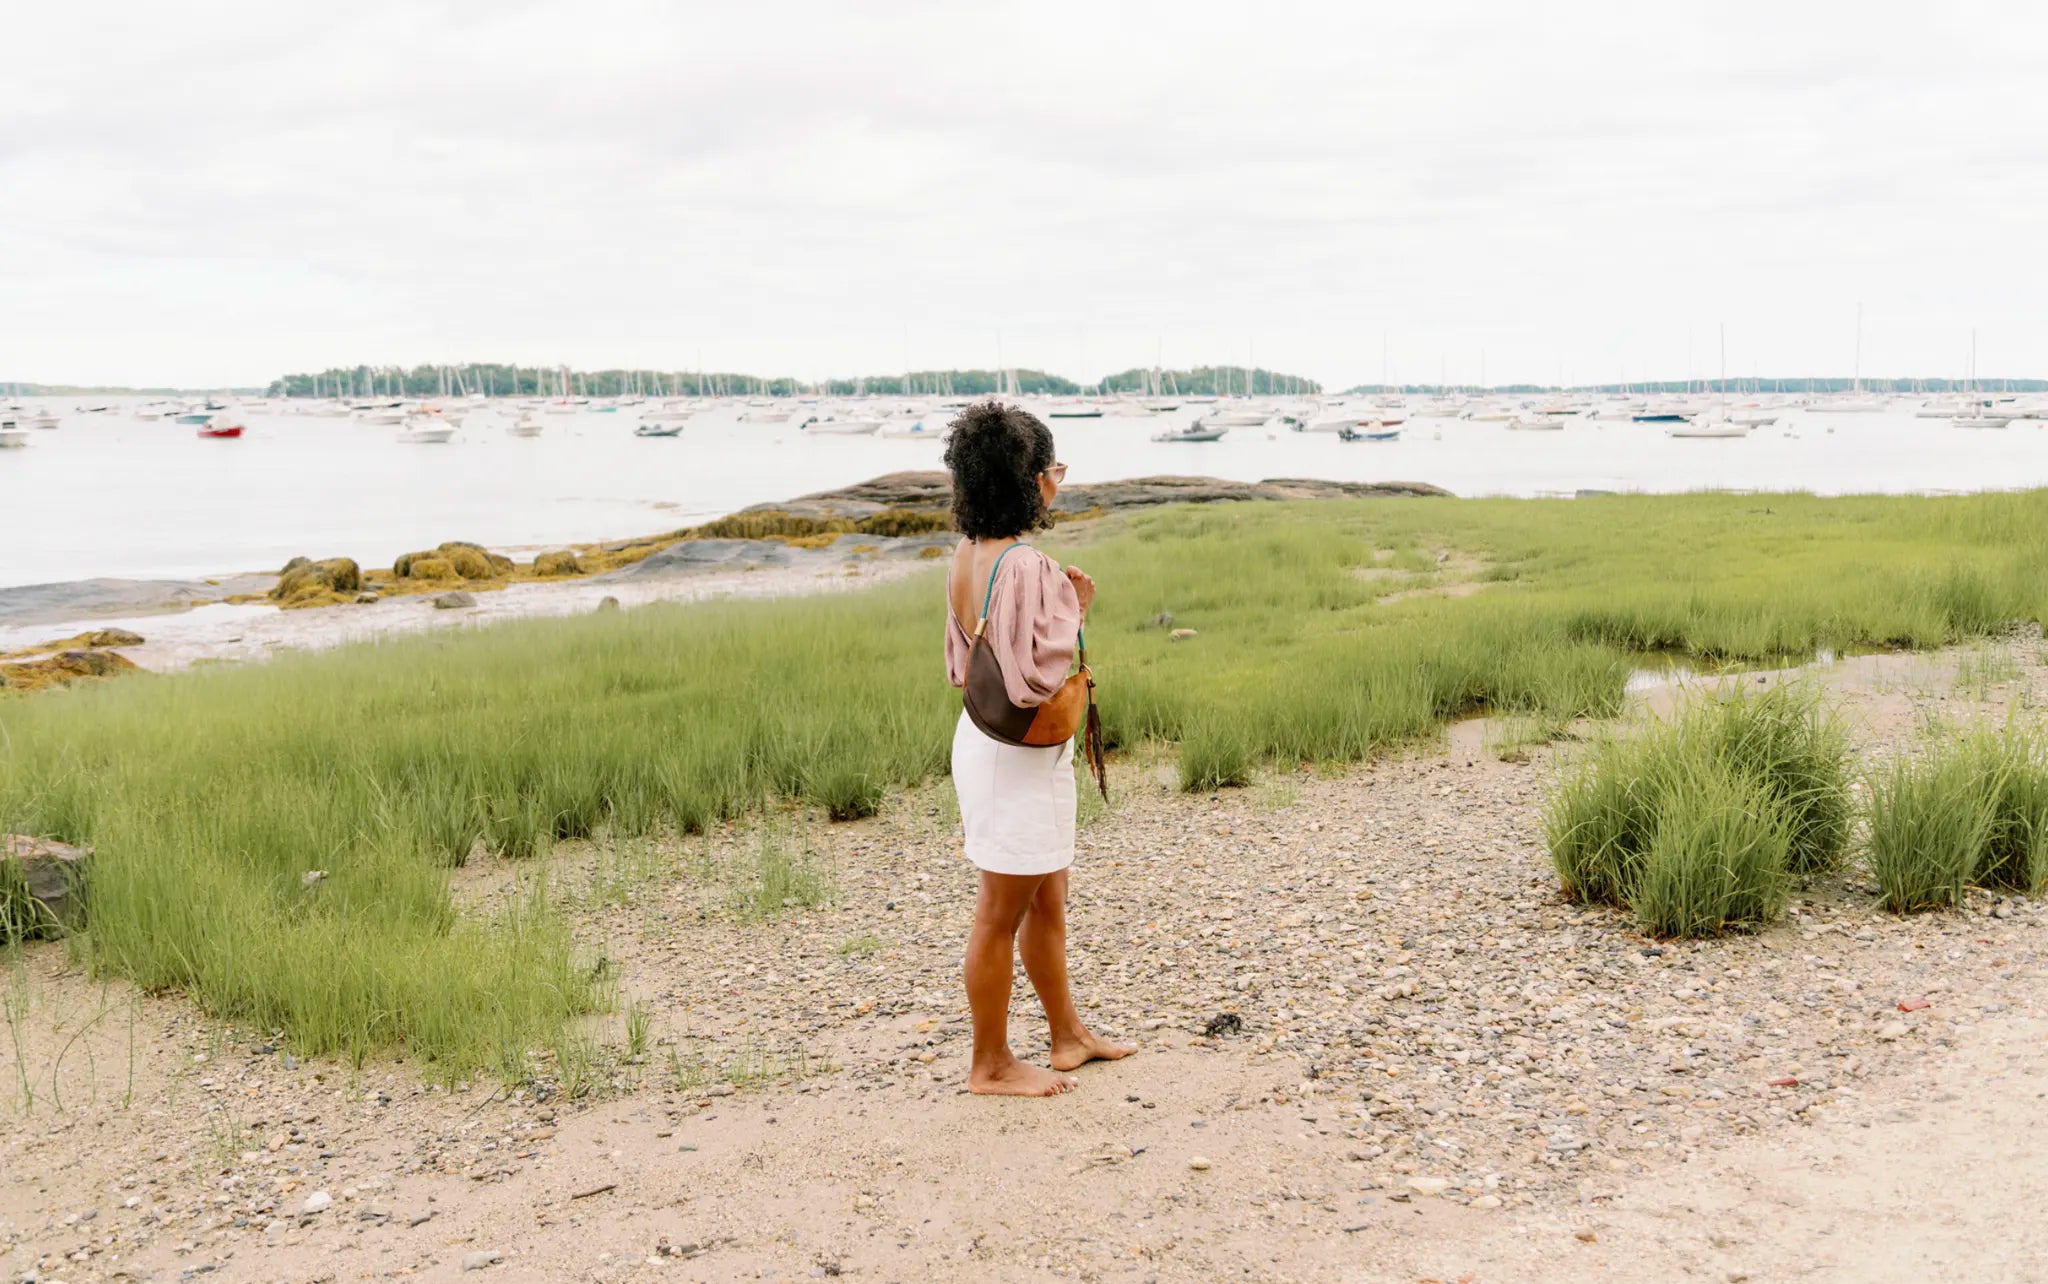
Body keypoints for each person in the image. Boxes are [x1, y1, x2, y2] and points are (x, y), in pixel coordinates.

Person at [942, 401, 1136, 1097]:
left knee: (1048, 899)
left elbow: (963, 663)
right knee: (1001, 911)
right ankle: (989, 1062)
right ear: (1026, 480)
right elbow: (1035, 678)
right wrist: (1075, 606)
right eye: (1048, 469)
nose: (1055, 481)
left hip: (1000, 746)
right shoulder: (1025, 564)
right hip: (1015, 753)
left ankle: (1067, 1034)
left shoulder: (968, 554)